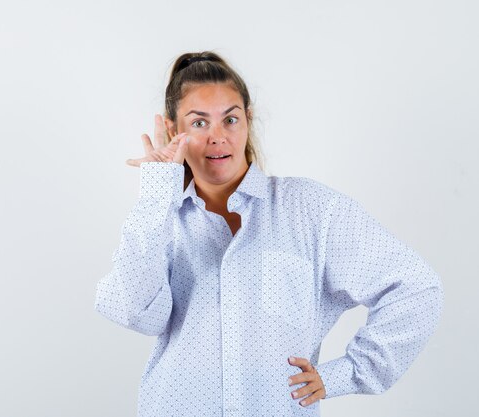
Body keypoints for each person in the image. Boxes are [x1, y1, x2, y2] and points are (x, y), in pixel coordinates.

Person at [94, 51, 443, 417]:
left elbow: (415, 287)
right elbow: (137, 313)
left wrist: (345, 374)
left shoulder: (311, 210)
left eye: (230, 119)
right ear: (172, 131)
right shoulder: (161, 222)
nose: (218, 137)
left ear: (248, 120)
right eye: (199, 124)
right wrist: (156, 193)